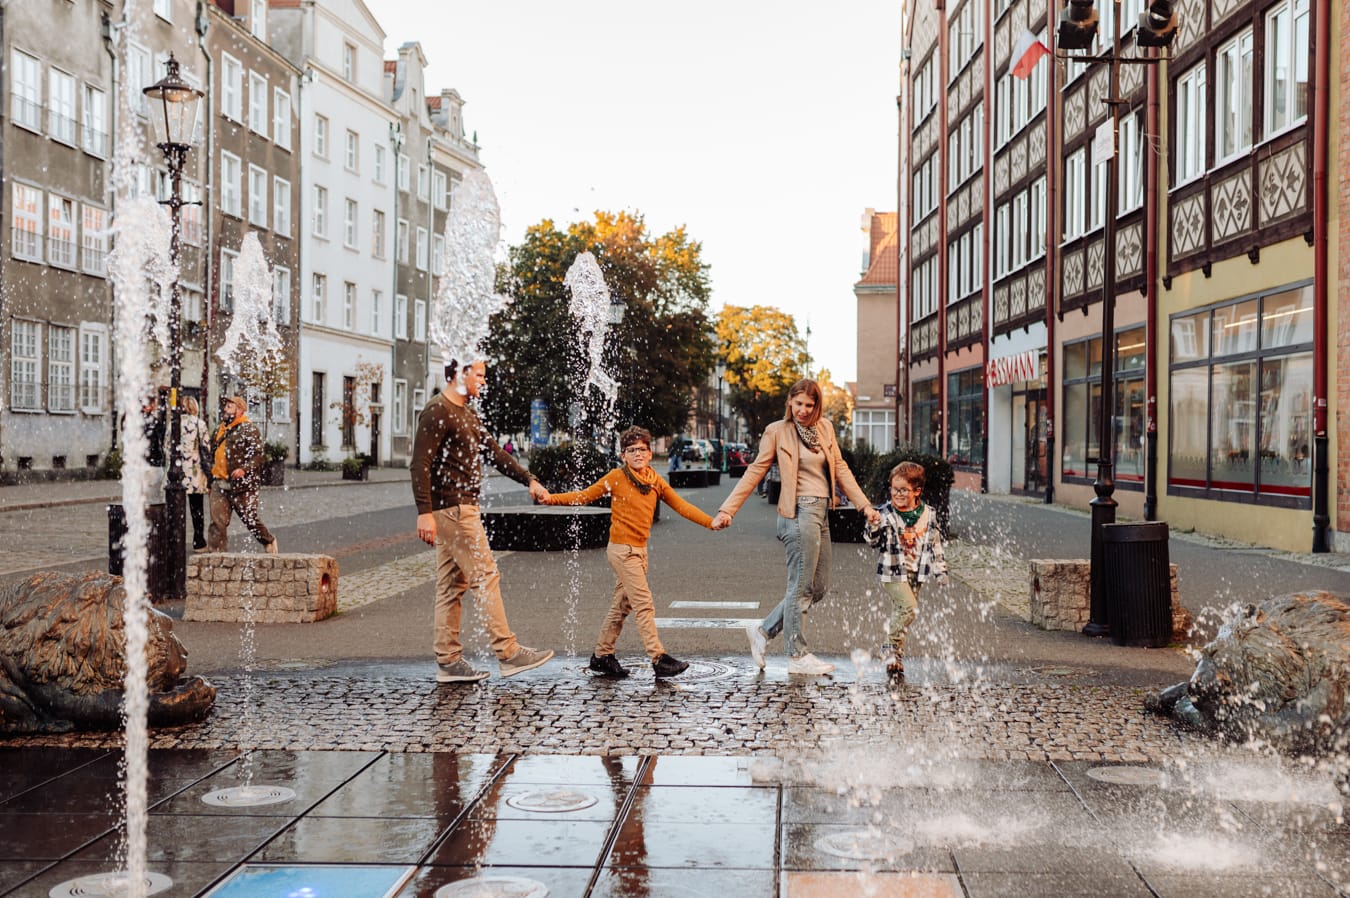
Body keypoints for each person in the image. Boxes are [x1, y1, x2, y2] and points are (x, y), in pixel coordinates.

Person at [711, 379, 881, 676]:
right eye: (798, 403)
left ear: (817, 406)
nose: (803, 410)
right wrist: (728, 509)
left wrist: (864, 506)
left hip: (822, 512)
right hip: (798, 512)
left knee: (817, 588)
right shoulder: (777, 431)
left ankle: (763, 631)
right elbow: (755, 471)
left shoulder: (824, 429)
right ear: (789, 402)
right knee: (800, 586)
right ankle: (797, 654)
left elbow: (840, 468)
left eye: (809, 405)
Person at [411, 358, 555, 683]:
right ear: (460, 373)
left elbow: (494, 452)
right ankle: (508, 652)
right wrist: (424, 513)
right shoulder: (438, 411)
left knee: (452, 585)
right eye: (479, 374)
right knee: (486, 576)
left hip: (460, 509)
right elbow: (419, 464)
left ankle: (448, 661)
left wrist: (529, 479)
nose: (483, 381)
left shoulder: (467, 413)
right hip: (455, 510)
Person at [544, 425, 724, 680]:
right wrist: (550, 498)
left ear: (650, 453)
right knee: (643, 603)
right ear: (623, 455)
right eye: (631, 450)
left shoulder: (655, 481)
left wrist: (710, 521)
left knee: (621, 606)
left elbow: (681, 505)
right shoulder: (616, 477)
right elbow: (583, 496)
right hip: (621, 551)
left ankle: (602, 656)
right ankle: (658, 658)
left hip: (640, 551)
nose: (637, 454)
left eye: (642, 449)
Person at [863, 461, 948, 680]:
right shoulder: (885, 513)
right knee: (909, 608)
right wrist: (873, 524)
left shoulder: (928, 514)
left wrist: (941, 570)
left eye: (903, 490)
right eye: (894, 489)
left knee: (902, 613)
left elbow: (935, 544)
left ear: (917, 490)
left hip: (916, 573)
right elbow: (872, 542)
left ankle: (895, 659)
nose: (897, 494)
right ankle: (889, 648)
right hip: (892, 572)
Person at [206, 396, 277, 554]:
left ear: (240, 410)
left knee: (249, 519)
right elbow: (212, 455)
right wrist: (209, 482)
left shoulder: (249, 429)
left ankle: (268, 540)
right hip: (219, 482)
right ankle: (216, 557)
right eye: (225, 406)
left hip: (243, 484)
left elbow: (258, 455)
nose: (225, 409)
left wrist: (244, 469)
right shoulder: (220, 429)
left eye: (230, 406)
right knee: (217, 522)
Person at [178, 396, 213, 551]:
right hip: (195, 472)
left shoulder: (174, 424)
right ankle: (198, 541)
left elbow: (166, 447)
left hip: (177, 472)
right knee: (196, 508)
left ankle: (175, 540)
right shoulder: (200, 424)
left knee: (176, 508)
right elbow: (206, 448)